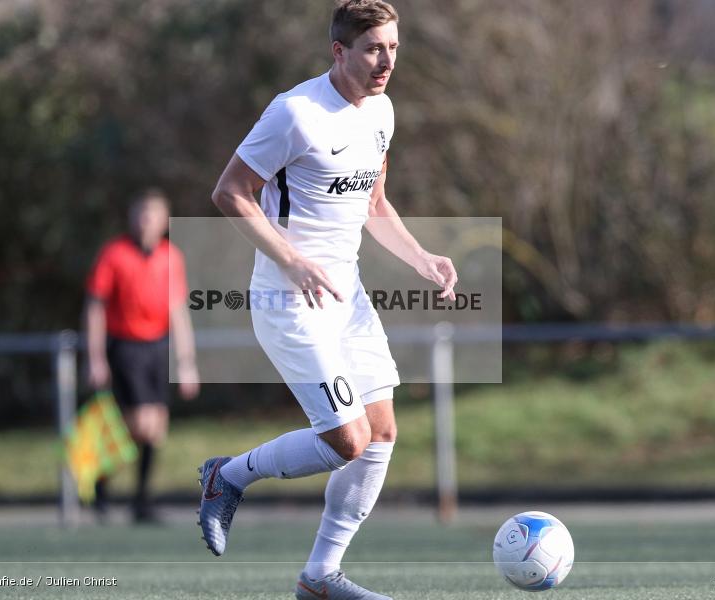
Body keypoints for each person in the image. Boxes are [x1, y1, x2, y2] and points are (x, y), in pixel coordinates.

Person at [199, 1, 457, 598]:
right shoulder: (295, 112)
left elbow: (373, 203)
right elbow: (229, 192)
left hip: (348, 296)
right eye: (373, 49)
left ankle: (319, 577)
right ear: (339, 52)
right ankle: (227, 476)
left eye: (393, 48)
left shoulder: (383, 111)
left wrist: (422, 257)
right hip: (287, 300)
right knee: (348, 440)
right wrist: (291, 259)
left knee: (381, 433)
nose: (386, 62)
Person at [85, 189, 200, 523]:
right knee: (138, 424)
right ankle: (101, 484)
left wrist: (187, 362)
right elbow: (94, 308)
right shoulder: (114, 254)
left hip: (157, 348)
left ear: (164, 221)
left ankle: (140, 499)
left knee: (156, 427)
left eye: (153, 215)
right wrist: (95, 357)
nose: (146, 221)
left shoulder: (171, 256)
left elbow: (178, 311)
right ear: (131, 217)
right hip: (125, 347)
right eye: (140, 214)